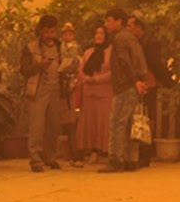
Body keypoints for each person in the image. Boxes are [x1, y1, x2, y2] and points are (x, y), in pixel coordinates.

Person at [20, 14, 71, 173]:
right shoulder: (30, 48)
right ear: (41, 31)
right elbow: (24, 70)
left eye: (52, 32)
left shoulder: (62, 47)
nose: (50, 35)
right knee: (37, 126)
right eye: (47, 32)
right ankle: (35, 159)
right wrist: (39, 66)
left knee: (54, 127)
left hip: (56, 90)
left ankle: (50, 157)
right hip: (38, 89)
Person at [99, 8, 147, 174]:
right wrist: (140, 80)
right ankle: (131, 159)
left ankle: (116, 160)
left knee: (117, 122)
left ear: (119, 21)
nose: (106, 24)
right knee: (129, 123)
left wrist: (134, 81)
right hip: (134, 84)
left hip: (125, 86)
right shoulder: (131, 37)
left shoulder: (120, 38)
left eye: (109, 20)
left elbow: (125, 61)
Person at [128, 15, 173, 168]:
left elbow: (156, 64)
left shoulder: (149, 43)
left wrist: (167, 82)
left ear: (139, 27)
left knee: (145, 118)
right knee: (140, 118)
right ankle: (141, 154)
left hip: (148, 83)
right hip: (139, 83)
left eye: (131, 26)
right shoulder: (135, 42)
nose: (129, 29)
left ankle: (145, 154)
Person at [76, 26, 113, 165]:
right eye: (96, 33)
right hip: (89, 92)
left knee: (104, 122)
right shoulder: (88, 52)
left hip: (105, 92)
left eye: (101, 33)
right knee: (91, 123)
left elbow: (113, 72)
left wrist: (97, 79)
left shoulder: (111, 51)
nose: (98, 35)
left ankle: (106, 151)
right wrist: (86, 79)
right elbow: (81, 70)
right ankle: (92, 151)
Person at [58, 23, 81, 165]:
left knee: (70, 121)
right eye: (65, 34)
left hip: (69, 84)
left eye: (70, 34)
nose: (68, 36)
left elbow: (75, 65)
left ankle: (74, 154)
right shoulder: (59, 47)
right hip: (58, 84)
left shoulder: (73, 48)